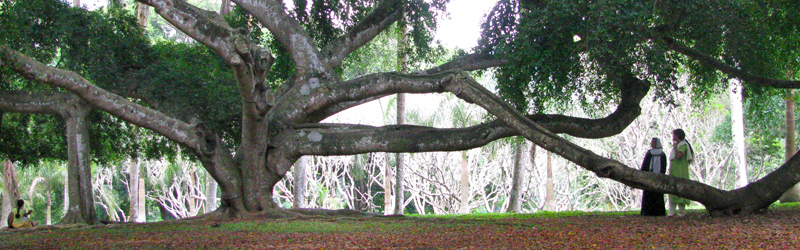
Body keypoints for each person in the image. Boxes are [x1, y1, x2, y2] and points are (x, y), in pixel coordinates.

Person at [668, 129, 694, 216]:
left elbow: (678, 155)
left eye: (674, 135)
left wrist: (675, 147)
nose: (673, 137)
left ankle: (681, 211)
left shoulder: (683, 145)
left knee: (680, 190)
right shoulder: (678, 145)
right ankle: (671, 211)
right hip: (674, 170)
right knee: (672, 190)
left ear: (678, 135)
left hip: (680, 171)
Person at [640, 137, 667, 216]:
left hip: (657, 177)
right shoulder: (651, 153)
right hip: (650, 176)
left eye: (653, 142)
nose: (651, 144)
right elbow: (645, 165)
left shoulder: (661, 154)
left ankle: (655, 212)